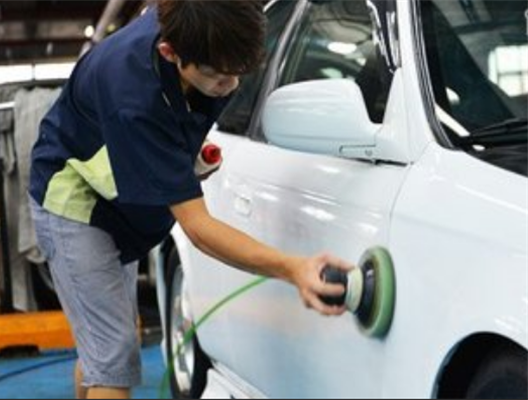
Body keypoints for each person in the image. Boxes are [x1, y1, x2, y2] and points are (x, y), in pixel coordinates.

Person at [29, 1, 353, 398]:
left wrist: (183, 153)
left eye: (239, 75)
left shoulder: (201, 21)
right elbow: (198, 229)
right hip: (76, 202)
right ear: (170, 54)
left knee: (103, 345)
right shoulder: (136, 98)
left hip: (116, 198)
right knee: (113, 360)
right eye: (217, 77)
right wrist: (292, 268)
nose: (230, 87)